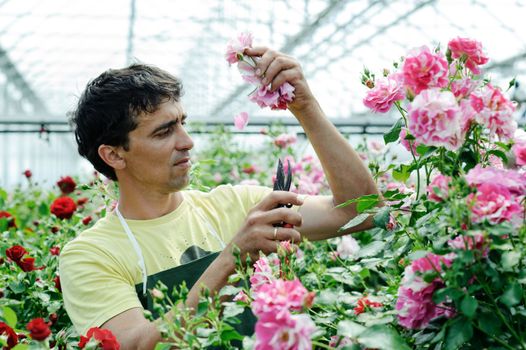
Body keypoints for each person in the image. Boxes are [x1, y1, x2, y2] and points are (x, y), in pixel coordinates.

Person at [59, 46, 380, 349]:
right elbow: (135, 344)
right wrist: (231, 259)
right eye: (163, 132)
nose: (187, 142)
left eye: (182, 124)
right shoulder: (91, 255)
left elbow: (360, 212)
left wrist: (306, 107)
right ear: (114, 155)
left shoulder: (238, 204)